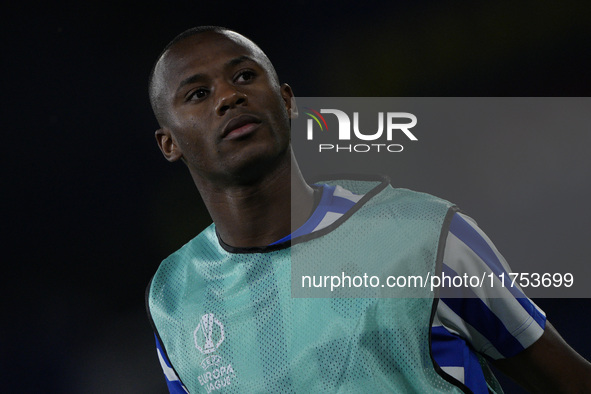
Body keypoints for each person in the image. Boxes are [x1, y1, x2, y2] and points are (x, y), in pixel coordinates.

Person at [146, 26, 591, 393]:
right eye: (199, 94)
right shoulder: (173, 296)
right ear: (169, 144)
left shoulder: (424, 234)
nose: (229, 96)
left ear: (285, 100)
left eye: (244, 76)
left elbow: (565, 379)